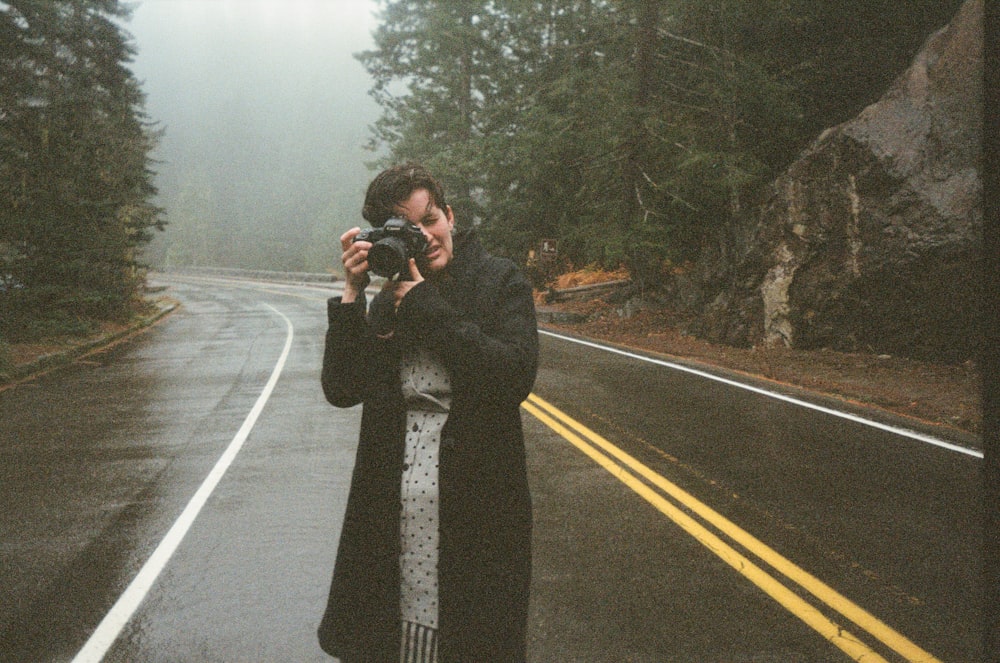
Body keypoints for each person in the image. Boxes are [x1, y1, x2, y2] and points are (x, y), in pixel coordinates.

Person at [318, 163, 539, 662]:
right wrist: (353, 294)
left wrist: (425, 307)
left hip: (478, 518)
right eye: (407, 228)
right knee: (390, 641)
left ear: (451, 215)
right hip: (390, 515)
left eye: (432, 218)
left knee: (473, 642)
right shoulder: (387, 298)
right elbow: (342, 388)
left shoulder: (499, 281)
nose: (427, 235)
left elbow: (512, 377)